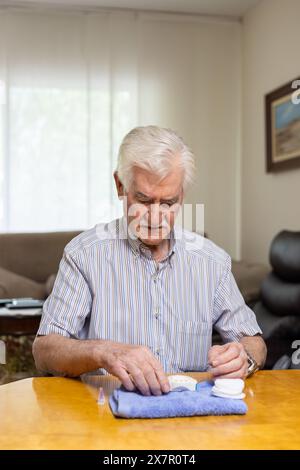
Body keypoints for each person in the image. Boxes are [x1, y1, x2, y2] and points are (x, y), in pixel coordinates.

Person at [33, 125, 266, 396]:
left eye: (168, 202)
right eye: (143, 200)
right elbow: (44, 350)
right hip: (107, 417)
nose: (155, 217)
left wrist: (244, 357)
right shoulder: (84, 255)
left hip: (191, 421)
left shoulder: (212, 261)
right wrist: (103, 351)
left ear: (182, 195)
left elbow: (254, 342)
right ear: (120, 185)